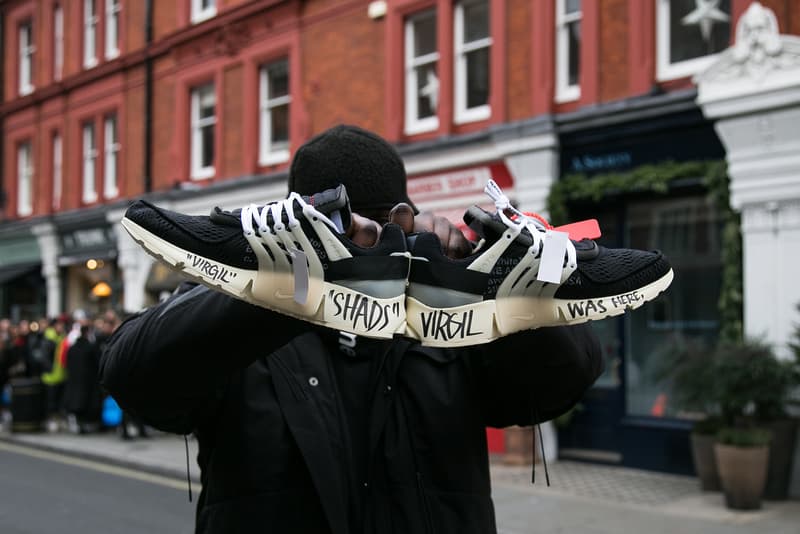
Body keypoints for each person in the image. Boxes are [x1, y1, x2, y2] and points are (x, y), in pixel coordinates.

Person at [100, 125, 604, 534]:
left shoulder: (446, 318)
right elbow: (132, 374)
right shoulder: (249, 312)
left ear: (407, 224)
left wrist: (487, 278)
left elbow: (567, 376)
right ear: (299, 227)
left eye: (380, 230)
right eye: (342, 232)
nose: (363, 250)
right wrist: (287, 283)